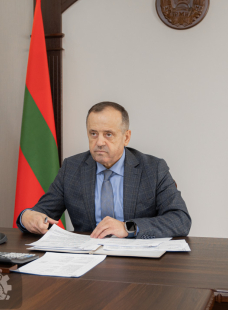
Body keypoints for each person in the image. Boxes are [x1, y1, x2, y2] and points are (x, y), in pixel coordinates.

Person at [18, 101, 191, 239]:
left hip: (137, 261)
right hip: (87, 259)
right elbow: (41, 213)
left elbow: (180, 220)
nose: (99, 142)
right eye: (93, 134)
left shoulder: (153, 169)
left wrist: (127, 227)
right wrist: (26, 217)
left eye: (108, 134)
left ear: (126, 137)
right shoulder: (72, 168)